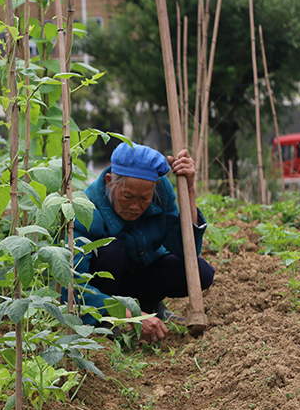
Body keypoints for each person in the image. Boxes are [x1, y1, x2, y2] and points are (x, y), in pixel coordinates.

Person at [64, 142, 215, 343]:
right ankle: (104, 322)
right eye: (127, 197)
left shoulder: (161, 194)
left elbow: (185, 249)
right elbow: (72, 288)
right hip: (103, 286)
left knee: (200, 272)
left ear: (155, 187)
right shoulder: (84, 211)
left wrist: (189, 190)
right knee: (112, 250)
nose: (135, 206)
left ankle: (150, 304)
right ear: (109, 181)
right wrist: (130, 316)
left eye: (145, 198)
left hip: (139, 277)